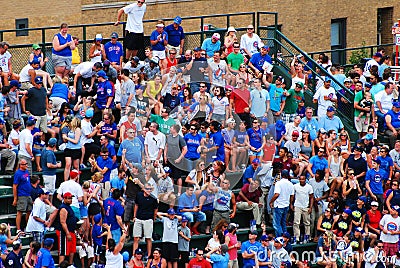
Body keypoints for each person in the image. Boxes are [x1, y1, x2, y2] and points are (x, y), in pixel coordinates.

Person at [133, 183, 158, 259]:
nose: (149, 190)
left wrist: (153, 219)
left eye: (150, 189)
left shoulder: (153, 198)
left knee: (148, 238)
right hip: (139, 218)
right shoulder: (139, 195)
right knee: (136, 238)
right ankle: (134, 255)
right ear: (143, 189)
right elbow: (136, 205)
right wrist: (134, 216)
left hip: (148, 219)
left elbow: (155, 210)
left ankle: (149, 255)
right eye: (147, 189)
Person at [54, 192, 77, 265]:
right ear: (64, 199)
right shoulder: (63, 208)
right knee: (63, 250)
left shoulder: (69, 207)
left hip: (71, 231)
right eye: (69, 198)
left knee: (72, 250)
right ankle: (61, 265)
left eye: (71, 198)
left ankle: (70, 264)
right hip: (63, 232)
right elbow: (63, 222)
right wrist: (67, 233)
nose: (71, 200)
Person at [270, 170, 294, 237]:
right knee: (283, 223)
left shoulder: (279, 183)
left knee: (277, 224)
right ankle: (285, 238)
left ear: (281, 175)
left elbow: (277, 194)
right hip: (286, 205)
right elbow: (292, 196)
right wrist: (290, 203)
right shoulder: (291, 184)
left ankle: (280, 238)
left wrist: (271, 201)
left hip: (279, 205)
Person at [291, 175, 314, 243]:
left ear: (305, 180)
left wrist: (310, 207)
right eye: (300, 179)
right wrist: (291, 204)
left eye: (303, 179)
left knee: (307, 222)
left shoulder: (309, 187)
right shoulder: (295, 186)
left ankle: (307, 236)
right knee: (296, 222)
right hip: (297, 205)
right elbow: (292, 196)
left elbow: (311, 197)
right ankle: (296, 237)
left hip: (306, 206)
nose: (301, 180)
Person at [13, 159, 32, 234]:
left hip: (28, 194)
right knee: (20, 212)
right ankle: (18, 229)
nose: (27, 165)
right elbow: (15, 186)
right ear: (21, 165)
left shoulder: (26, 171)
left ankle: (28, 227)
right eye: (25, 164)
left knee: (29, 211)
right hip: (22, 195)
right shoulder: (18, 173)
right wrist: (15, 198)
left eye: (27, 164)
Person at [41, 138, 61, 203]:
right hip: (49, 175)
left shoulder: (44, 150)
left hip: (47, 174)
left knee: (50, 191)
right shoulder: (49, 153)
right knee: (49, 192)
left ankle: (50, 205)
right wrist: (57, 165)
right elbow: (49, 165)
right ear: (54, 145)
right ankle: (49, 206)